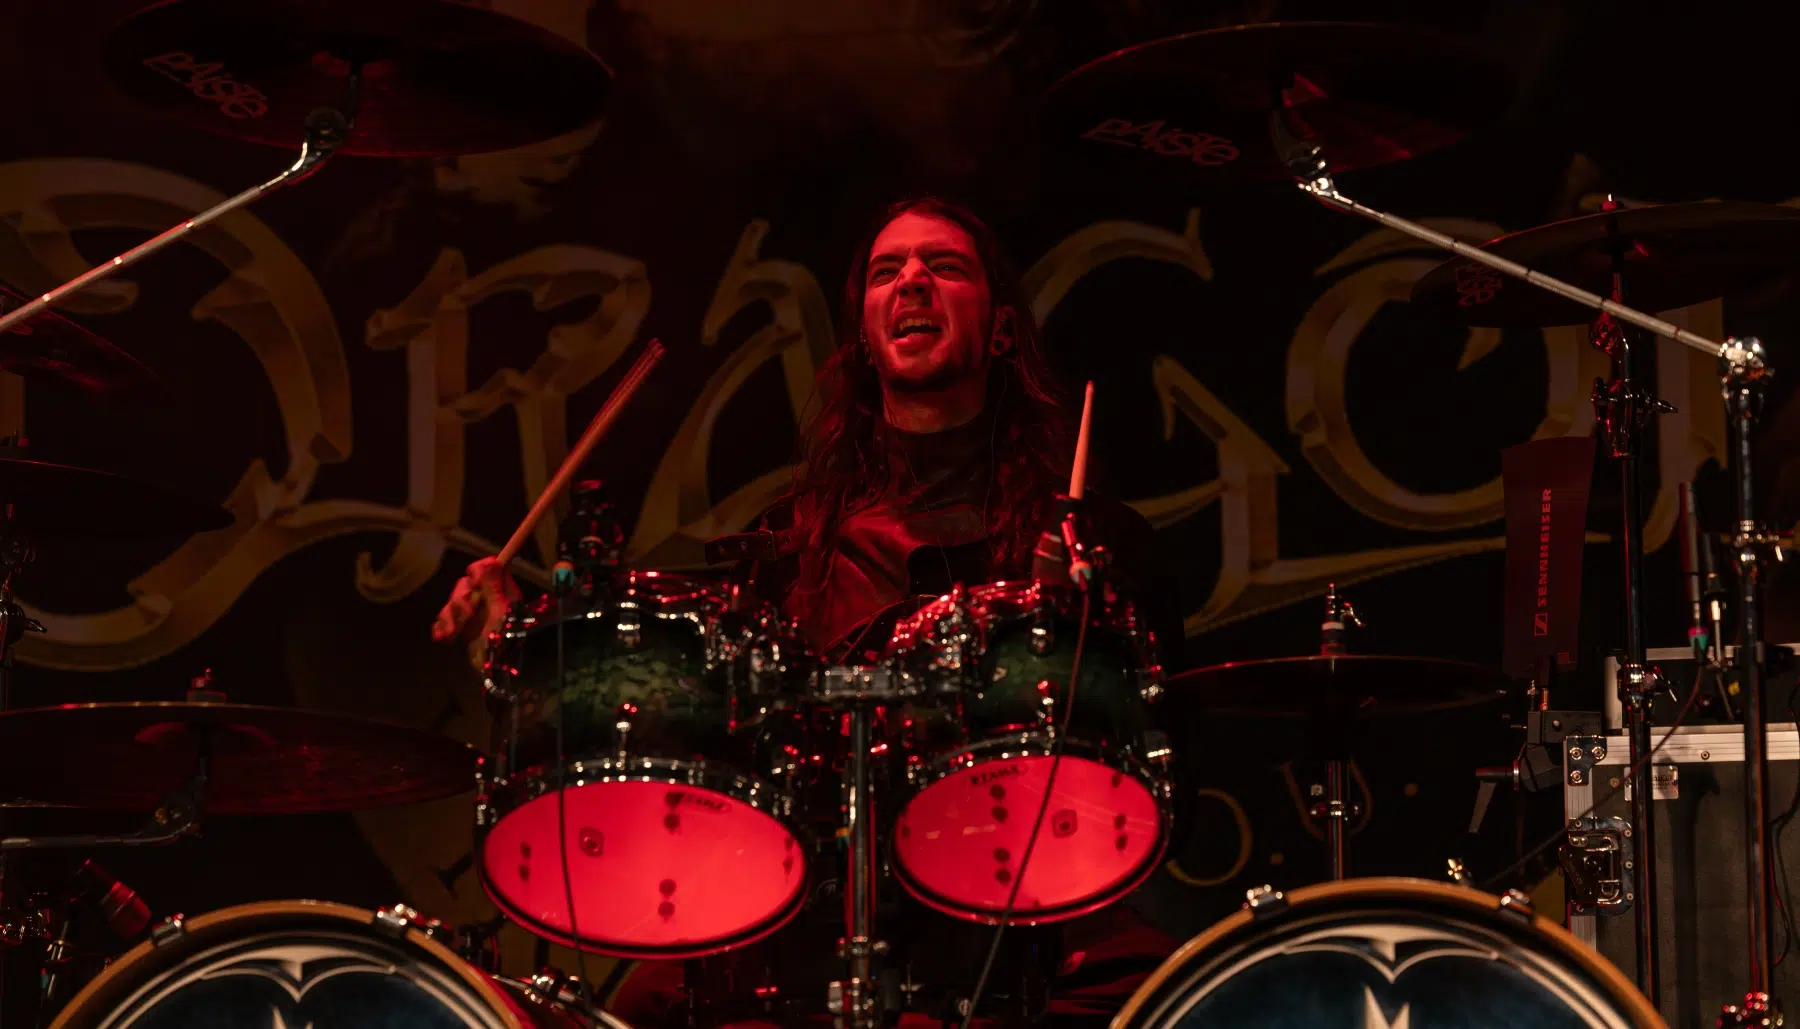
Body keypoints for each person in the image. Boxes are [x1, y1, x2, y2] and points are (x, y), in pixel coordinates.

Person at [435, 197, 1185, 1026]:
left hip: (1023, 908)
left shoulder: (1087, 536)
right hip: (807, 914)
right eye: (887, 271)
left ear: (1002, 327)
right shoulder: (791, 547)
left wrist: (1076, 627)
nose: (912, 281)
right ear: (863, 334)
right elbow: (685, 733)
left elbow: (1153, 751)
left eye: (944, 266)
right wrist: (517, 651)